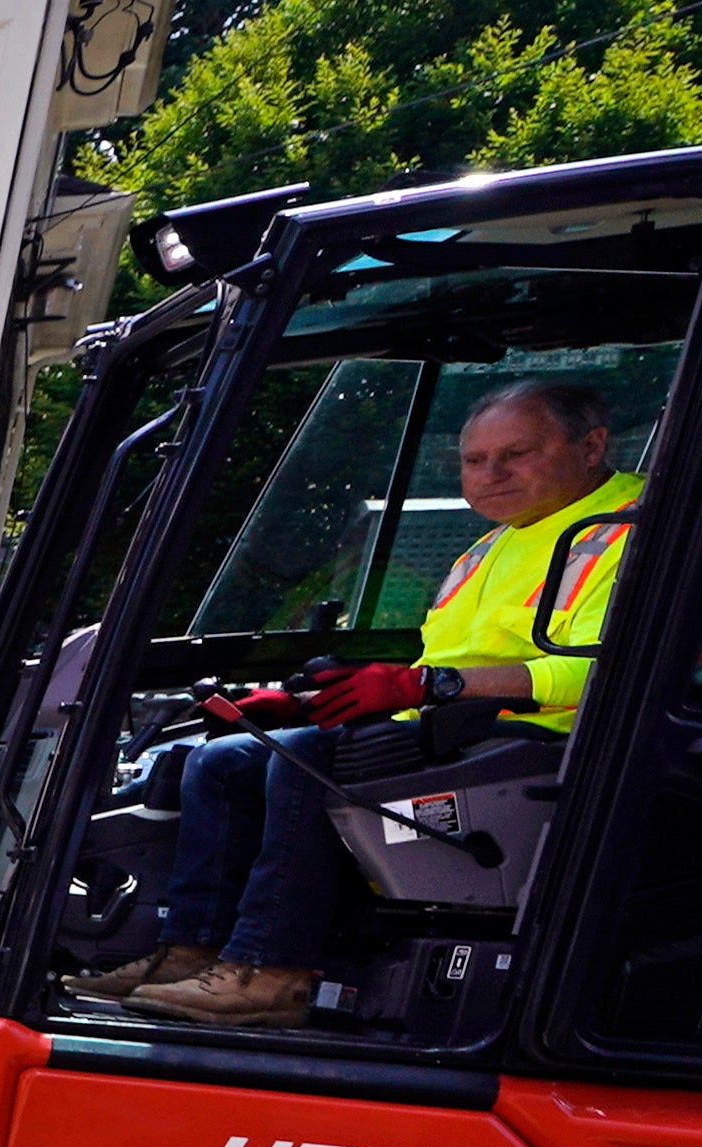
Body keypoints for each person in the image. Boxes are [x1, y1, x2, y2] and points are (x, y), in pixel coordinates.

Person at [102, 379, 652, 1031]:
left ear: (591, 447)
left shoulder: (635, 533)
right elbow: (437, 661)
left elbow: (606, 675)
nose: (489, 474)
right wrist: (302, 701)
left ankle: (272, 969)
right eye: (474, 460)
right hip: (455, 725)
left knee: (309, 761)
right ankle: (191, 953)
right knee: (220, 761)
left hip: (546, 746)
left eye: (516, 453)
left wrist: (426, 689)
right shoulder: (495, 542)